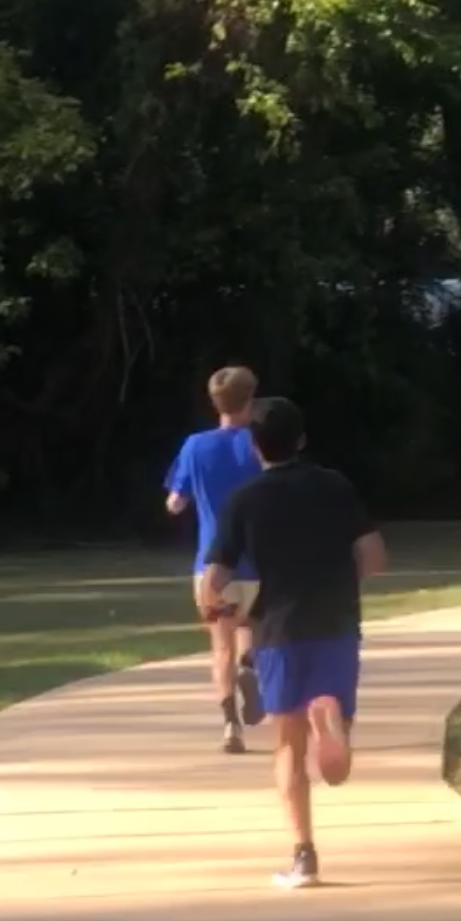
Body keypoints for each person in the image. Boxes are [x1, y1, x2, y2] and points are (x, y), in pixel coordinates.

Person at [198, 396, 387, 889]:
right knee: (336, 763)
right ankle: (331, 714)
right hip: (338, 623)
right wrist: (346, 581)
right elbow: (374, 556)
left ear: (254, 444)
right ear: (302, 440)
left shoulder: (246, 500)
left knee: (288, 748)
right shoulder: (335, 486)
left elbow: (214, 578)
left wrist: (215, 609)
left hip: (277, 632)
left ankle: (303, 856)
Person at [164, 365, 265, 754]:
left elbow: (175, 503)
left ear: (214, 402)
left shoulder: (194, 446)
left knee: (219, 645)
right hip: (257, 564)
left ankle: (230, 726)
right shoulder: (260, 444)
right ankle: (250, 667)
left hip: (211, 567)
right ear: (251, 399)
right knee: (250, 628)